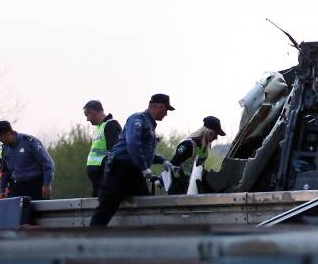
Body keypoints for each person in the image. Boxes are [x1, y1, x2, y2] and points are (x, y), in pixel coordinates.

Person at [89, 93, 174, 228]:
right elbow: (133, 144)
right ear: (160, 107)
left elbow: (145, 152)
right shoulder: (138, 119)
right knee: (106, 209)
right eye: (166, 110)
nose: (166, 114)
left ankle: (145, 243)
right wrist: (144, 168)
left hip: (133, 172)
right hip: (119, 170)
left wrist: (163, 161)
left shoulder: (149, 125)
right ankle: (89, 243)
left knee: (146, 207)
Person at [0, 120, 54, 201]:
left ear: (8, 133)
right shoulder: (5, 148)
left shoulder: (30, 142)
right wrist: (2, 190)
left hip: (36, 185)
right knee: (12, 209)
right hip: (18, 185)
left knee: (36, 211)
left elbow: (48, 164)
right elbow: (5, 171)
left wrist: (46, 184)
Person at [168, 115, 227, 195]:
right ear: (209, 133)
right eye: (215, 135)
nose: (216, 138)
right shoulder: (187, 145)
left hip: (192, 187)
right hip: (179, 189)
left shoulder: (204, 149)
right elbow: (171, 165)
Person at [81, 100, 123, 198]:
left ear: (93, 112)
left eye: (87, 115)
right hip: (98, 180)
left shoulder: (111, 125)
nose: (87, 119)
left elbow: (115, 152)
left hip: (104, 177)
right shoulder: (99, 127)